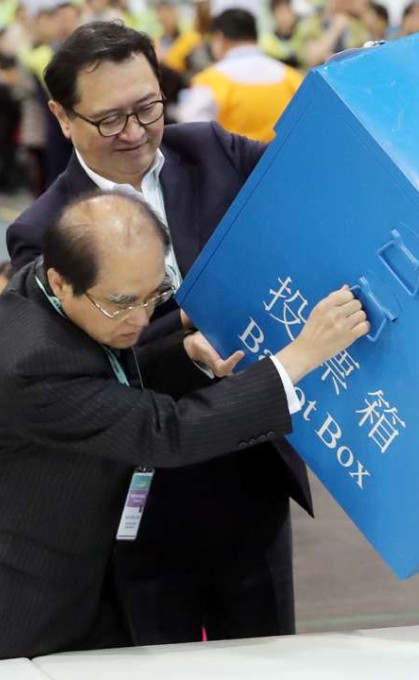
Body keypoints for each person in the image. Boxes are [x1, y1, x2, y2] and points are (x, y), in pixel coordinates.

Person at [5, 21, 307, 646]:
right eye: (111, 119)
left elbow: (308, 187)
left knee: (268, 650)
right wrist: (184, 347)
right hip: (138, 493)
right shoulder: (46, 232)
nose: (136, 132)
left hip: (247, 469)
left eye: (148, 107)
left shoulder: (215, 152)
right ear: (62, 118)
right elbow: (83, 371)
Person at [0, 191, 369, 659]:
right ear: (61, 279)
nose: (141, 319)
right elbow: (164, 433)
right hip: (32, 605)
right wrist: (301, 356)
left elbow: (109, 382)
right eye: (121, 304)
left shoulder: (54, 293)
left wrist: (182, 354)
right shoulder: (29, 362)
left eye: (154, 295)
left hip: (95, 581)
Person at [177, 9, 303, 142]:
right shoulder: (291, 77)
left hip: (232, 160)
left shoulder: (211, 79)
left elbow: (191, 130)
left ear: (220, 38)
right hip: (281, 159)